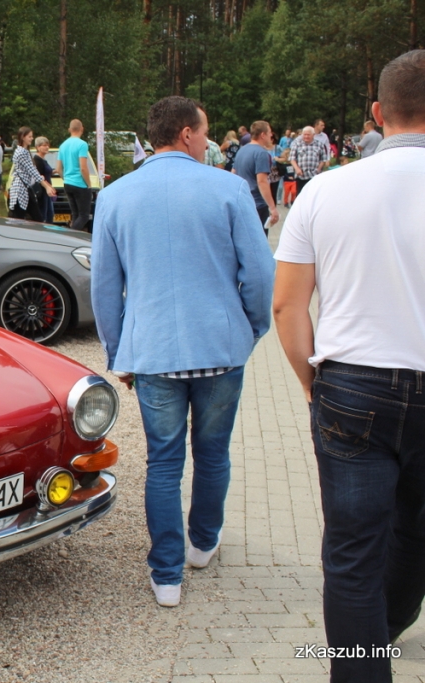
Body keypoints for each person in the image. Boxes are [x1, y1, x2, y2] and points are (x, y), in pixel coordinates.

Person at [272, 49, 425, 683]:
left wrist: (315, 385)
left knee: (352, 555)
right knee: (414, 535)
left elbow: (287, 306)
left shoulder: (325, 190)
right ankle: (387, 627)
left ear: (377, 113)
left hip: (352, 384)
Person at [90, 96, 275, 609]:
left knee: (164, 462)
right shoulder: (228, 188)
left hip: (153, 351)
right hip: (219, 346)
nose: (208, 141)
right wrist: (250, 329)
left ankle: (167, 574)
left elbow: (104, 286)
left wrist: (118, 352)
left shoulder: (115, 196)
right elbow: (261, 273)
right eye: (206, 132)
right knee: (213, 452)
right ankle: (202, 542)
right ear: (188, 133)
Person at [232, 120, 279, 233]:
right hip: (257, 204)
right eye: (269, 132)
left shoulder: (242, 150)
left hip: (243, 202)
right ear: (263, 135)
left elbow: (233, 173)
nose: (271, 135)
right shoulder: (261, 153)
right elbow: (262, 181)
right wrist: (272, 207)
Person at [8, 126, 55, 222]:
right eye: (29, 136)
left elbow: (32, 171)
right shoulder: (21, 153)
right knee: (21, 219)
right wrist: (47, 186)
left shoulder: (25, 152)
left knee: (36, 218)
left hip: (26, 189)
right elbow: (33, 171)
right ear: (23, 137)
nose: (32, 138)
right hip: (20, 190)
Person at [55, 119, 92, 231]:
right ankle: (71, 234)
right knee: (84, 216)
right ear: (82, 129)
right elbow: (83, 168)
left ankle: (72, 235)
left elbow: (58, 169)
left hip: (68, 183)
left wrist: (65, 178)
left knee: (75, 214)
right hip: (79, 183)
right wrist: (89, 184)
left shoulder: (63, 145)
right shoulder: (82, 144)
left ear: (69, 130)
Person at [288, 126, 329, 196]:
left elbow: (323, 159)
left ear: (313, 135)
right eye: (304, 134)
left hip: (314, 175)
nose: (306, 136)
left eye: (308, 135)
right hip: (301, 175)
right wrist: (297, 169)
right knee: (301, 196)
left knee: (313, 195)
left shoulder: (319, 145)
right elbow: (292, 158)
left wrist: (319, 169)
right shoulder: (297, 144)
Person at [33, 136, 56, 222]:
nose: (47, 147)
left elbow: (47, 172)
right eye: (44, 145)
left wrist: (56, 170)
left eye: (47, 145)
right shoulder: (37, 160)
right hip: (42, 191)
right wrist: (47, 187)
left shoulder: (43, 160)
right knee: (44, 215)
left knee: (50, 214)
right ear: (38, 147)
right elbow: (39, 176)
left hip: (47, 191)